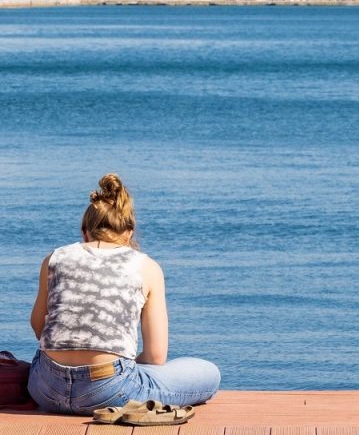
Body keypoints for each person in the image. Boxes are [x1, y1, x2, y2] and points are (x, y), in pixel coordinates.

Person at [27, 174, 220, 415]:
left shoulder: (54, 258)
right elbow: (156, 356)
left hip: (45, 389)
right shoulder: (146, 267)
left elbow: (38, 327)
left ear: (84, 231)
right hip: (111, 391)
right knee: (208, 372)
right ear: (129, 232)